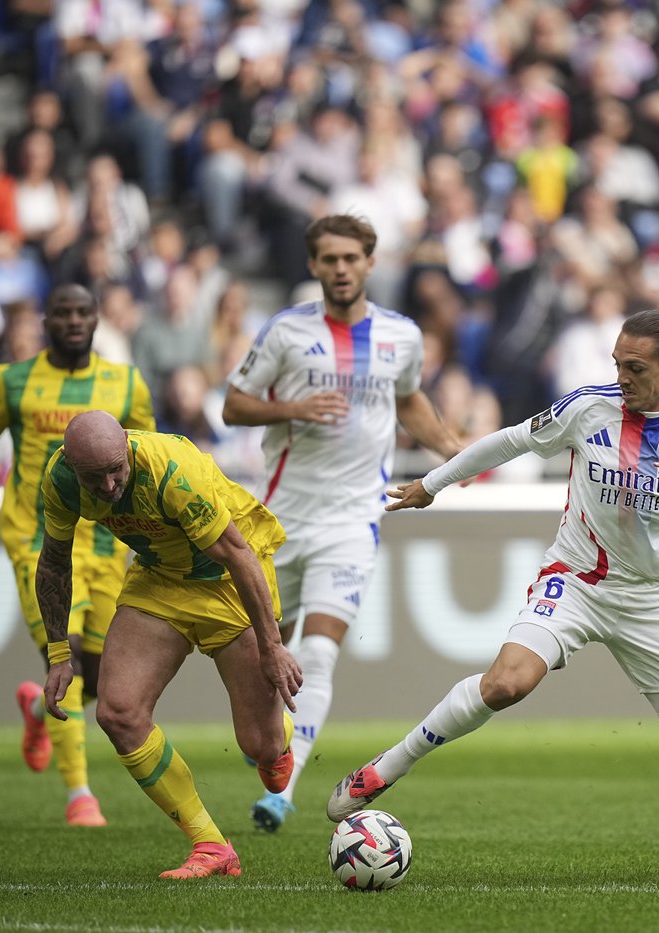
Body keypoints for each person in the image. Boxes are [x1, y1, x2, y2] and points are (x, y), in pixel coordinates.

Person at [326, 308, 659, 884]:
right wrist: (432, 484)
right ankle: (383, 768)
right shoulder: (588, 406)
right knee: (505, 684)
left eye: (636, 367)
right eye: (616, 363)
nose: (621, 377)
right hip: (573, 578)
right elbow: (509, 442)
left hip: (646, 599)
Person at [222, 214, 464, 831]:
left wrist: (453, 452)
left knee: (320, 655)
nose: (340, 268)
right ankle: (269, 752)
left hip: (353, 521)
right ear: (313, 265)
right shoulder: (285, 332)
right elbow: (233, 405)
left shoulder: (400, 337)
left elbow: (408, 398)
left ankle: (283, 789)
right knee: (260, 656)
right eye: (329, 259)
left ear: (369, 263)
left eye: (351, 258)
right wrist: (291, 407)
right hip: (279, 521)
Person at [36, 413, 303, 879]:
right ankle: (211, 845)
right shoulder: (60, 482)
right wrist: (59, 653)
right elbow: (55, 561)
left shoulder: (172, 469)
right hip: (159, 578)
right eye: (94, 477)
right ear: (72, 467)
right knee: (117, 711)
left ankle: (275, 746)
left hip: (226, 580)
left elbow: (238, 554)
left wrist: (272, 646)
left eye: (116, 469)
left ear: (127, 449)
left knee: (260, 745)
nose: (109, 484)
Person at [0, 284, 155, 827]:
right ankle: (79, 795)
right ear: (46, 320)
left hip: (109, 540)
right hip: (38, 538)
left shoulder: (126, 382)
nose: (72, 321)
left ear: (95, 319)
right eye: (61, 312)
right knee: (61, 657)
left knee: (105, 676)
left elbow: (147, 459)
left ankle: (40, 712)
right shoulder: (12, 382)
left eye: (82, 312)